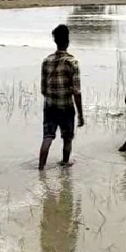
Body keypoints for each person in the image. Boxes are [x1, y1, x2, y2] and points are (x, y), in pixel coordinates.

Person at [39, 24, 84, 171]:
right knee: (67, 138)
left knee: (47, 137)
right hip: (66, 107)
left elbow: (43, 90)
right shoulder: (72, 62)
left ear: (55, 41)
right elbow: (76, 92)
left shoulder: (46, 61)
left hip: (50, 106)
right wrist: (81, 115)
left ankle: (41, 168)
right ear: (68, 41)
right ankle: (65, 164)